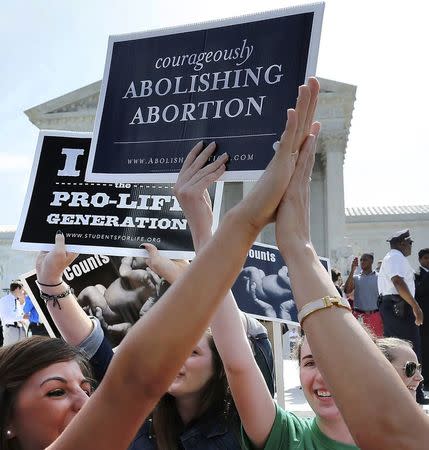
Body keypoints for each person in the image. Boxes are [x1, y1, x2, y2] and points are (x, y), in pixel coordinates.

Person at [1, 74, 316, 450]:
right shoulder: (133, 415)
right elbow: (92, 345)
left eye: (192, 350)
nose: (171, 356)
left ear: (219, 367)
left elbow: (242, 354)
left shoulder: (246, 425)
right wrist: (51, 282)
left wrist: (203, 239)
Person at [377, 229, 429, 404]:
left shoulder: (395, 258)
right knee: (408, 349)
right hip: (399, 307)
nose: (411, 245)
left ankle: (406, 390)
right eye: (410, 242)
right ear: (401, 243)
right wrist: (416, 306)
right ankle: (412, 391)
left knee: (401, 348)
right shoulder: (395, 257)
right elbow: (397, 281)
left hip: (396, 306)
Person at [344, 253, 383, 337]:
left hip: (375, 316)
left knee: (377, 341)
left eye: (365, 260)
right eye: (361, 260)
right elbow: (347, 290)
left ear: (371, 261)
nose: (362, 262)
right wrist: (352, 270)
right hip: (359, 316)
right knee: (360, 341)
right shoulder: (355, 278)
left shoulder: (379, 277)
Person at [415, 248, 429, 390]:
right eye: (426, 258)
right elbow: (418, 292)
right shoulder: (416, 275)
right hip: (424, 319)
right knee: (424, 348)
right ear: (420, 260)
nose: (428, 261)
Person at [0, 281, 27, 346]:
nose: (23, 292)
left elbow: (20, 314)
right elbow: (7, 317)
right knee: (9, 352)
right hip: (11, 330)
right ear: (17, 288)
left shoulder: (17, 301)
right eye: (22, 289)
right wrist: (22, 317)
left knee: (21, 352)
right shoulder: (5, 300)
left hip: (20, 329)